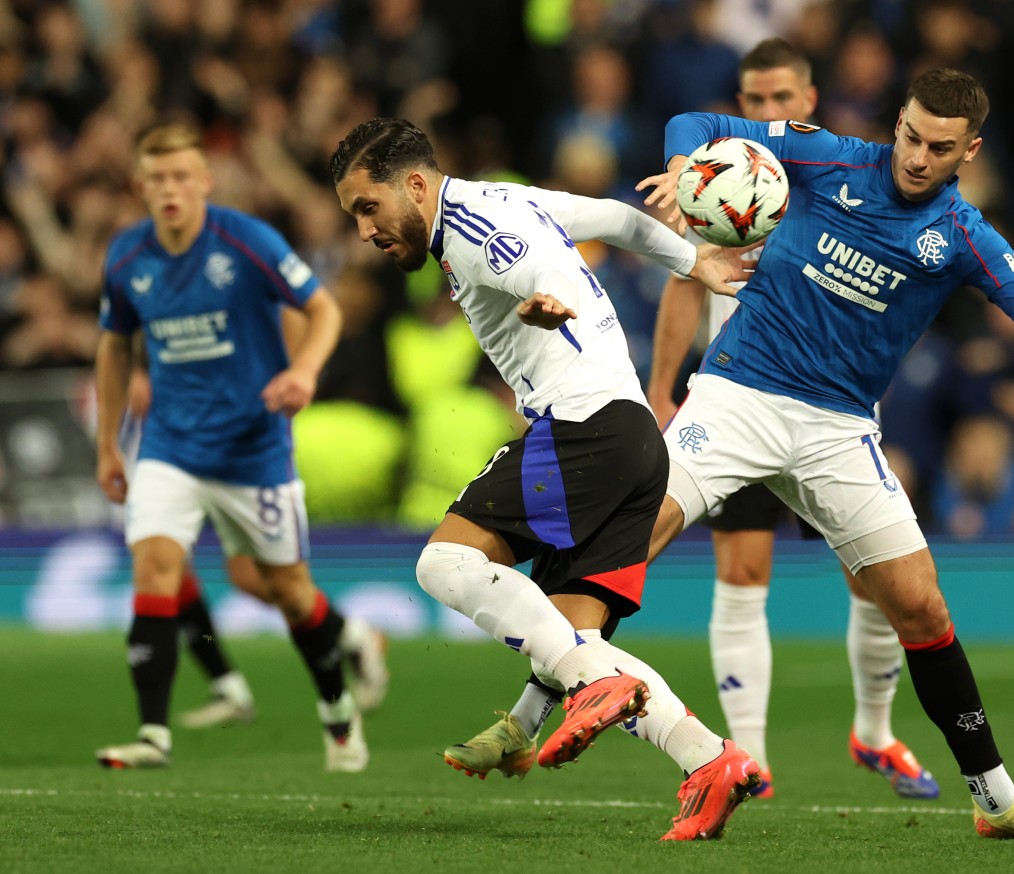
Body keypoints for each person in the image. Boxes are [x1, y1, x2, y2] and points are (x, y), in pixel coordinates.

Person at [633, 68, 1014, 843]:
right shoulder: (828, 157)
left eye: (940, 148)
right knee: (634, 534)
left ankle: (998, 802)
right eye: (912, 136)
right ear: (898, 123)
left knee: (921, 607)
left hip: (838, 429)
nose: (918, 157)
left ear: (971, 150)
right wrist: (687, 163)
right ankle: (533, 706)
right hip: (740, 395)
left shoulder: (962, 236)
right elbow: (691, 117)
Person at [330, 117, 761, 841]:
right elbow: (620, 219)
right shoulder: (508, 199)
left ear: (413, 185)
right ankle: (709, 760)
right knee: (572, 638)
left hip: (582, 428)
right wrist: (694, 263)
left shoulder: (474, 225)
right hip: (633, 444)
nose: (365, 229)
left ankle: (585, 689)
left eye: (367, 207)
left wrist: (548, 297)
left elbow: (538, 269)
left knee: (443, 562)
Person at [645, 37, 937, 801]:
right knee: (742, 572)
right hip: (737, 398)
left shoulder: (831, 175)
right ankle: (749, 760)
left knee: (874, 581)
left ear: (807, 103)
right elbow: (684, 285)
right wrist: (661, 386)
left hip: (829, 408)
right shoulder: (718, 183)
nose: (766, 111)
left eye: (781, 100)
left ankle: (874, 731)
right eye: (753, 101)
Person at [94, 122, 380, 772]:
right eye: (156, 178)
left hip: (254, 448)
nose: (169, 189)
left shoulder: (245, 241)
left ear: (203, 181)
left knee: (287, 591)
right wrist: (110, 445)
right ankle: (152, 735)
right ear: (140, 186)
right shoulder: (125, 257)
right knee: (155, 567)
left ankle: (337, 711)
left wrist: (304, 370)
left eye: (180, 176)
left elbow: (324, 310)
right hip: (171, 444)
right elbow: (113, 346)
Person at [119, 325, 390, 730]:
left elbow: (308, 316)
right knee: (166, 566)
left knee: (254, 578)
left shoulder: (233, 281)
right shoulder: (154, 282)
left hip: (235, 448)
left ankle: (351, 635)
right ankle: (229, 686)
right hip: (177, 442)